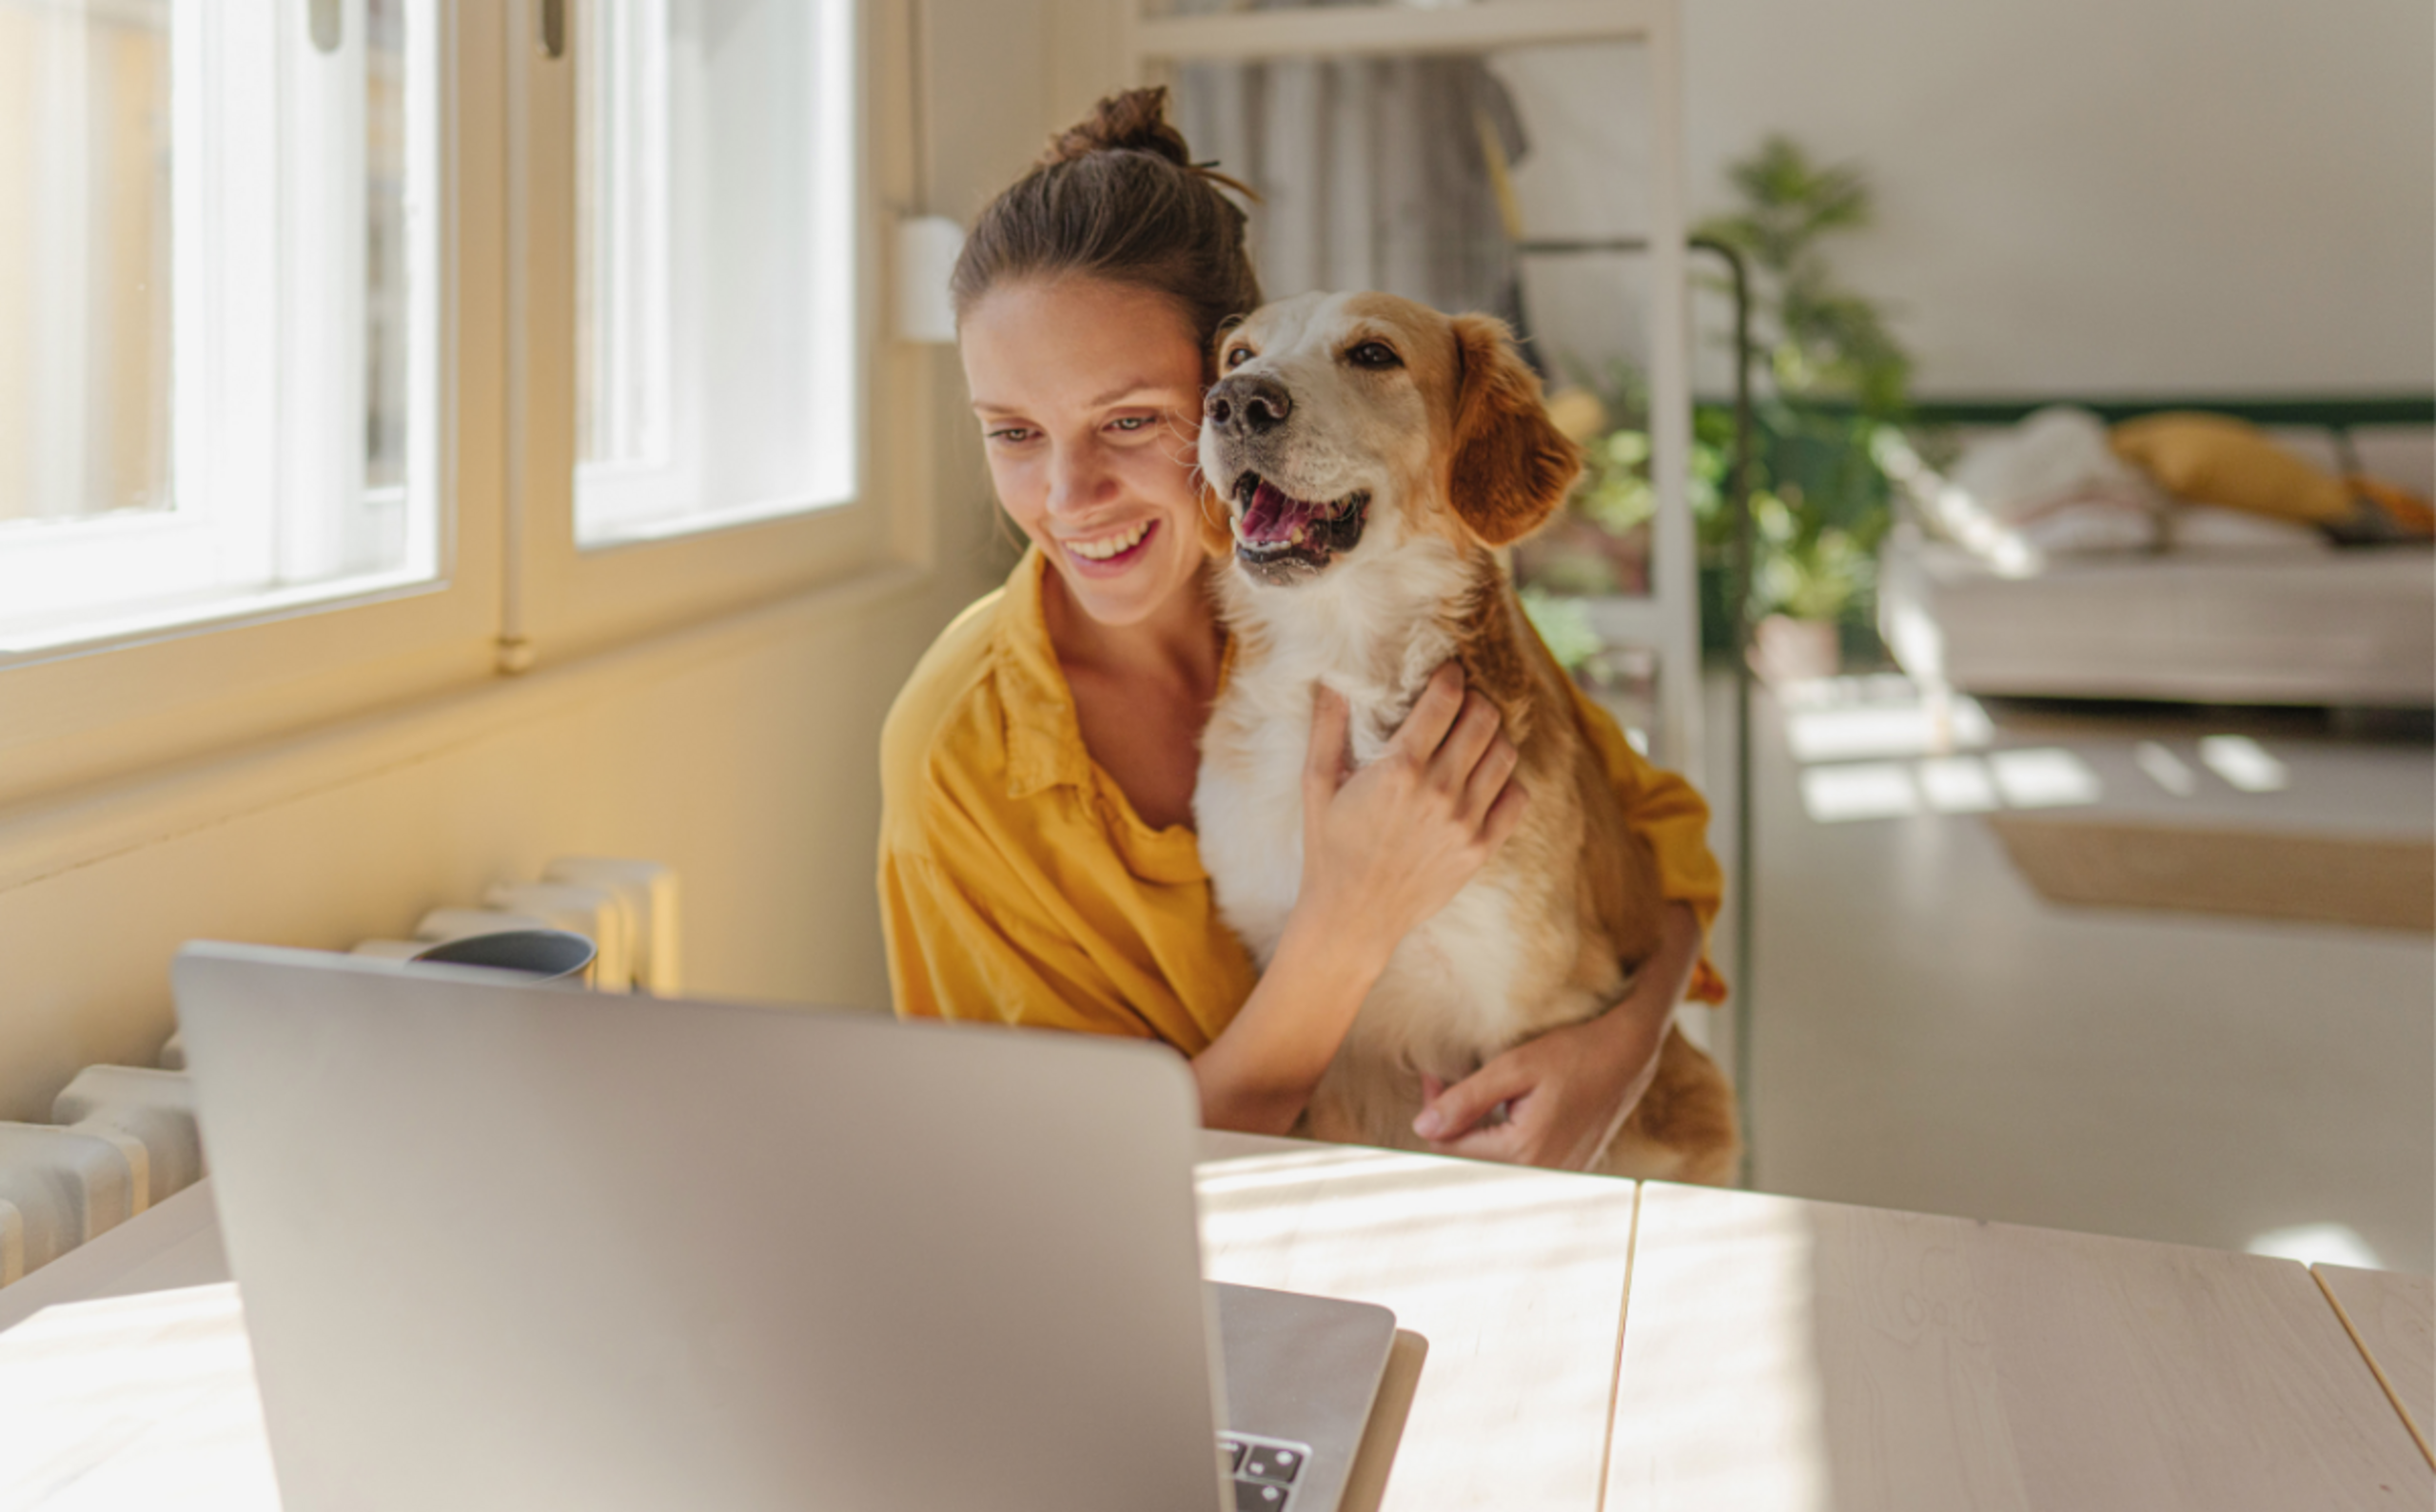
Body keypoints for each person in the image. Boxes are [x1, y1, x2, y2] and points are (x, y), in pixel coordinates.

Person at [877, 88, 1725, 1171]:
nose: (1070, 494)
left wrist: (1621, 1045)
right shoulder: (960, 751)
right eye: (1011, 432)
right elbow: (1042, 1177)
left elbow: (1655, 847)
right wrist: (1349, 919)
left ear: (1231, 386)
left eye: (1132, 419)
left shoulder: (1387, 606)